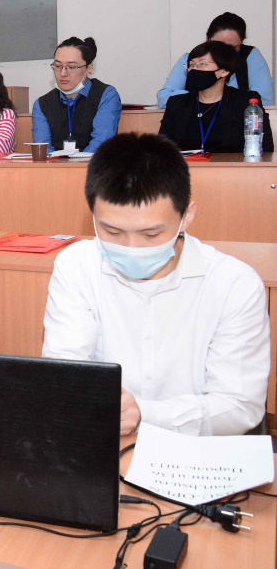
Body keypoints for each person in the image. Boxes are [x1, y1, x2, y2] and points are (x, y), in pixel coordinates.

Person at [42, 133, 269, 436]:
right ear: (93, 216)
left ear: (186, 217)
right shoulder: (76, 266)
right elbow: (65, 373)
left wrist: (143, 414)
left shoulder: (234, 284)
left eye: (151, 235)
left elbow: (239, 406)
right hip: (102, 443)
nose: (132, 248)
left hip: (199, 451)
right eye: (112, 232)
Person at [159, 40, 273, 154]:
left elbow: (265, 148)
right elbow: (161, 151)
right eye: (191, 65)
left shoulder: (245, 102)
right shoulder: (177, 103)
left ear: (224, 70)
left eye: (202, 64)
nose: (194, 69)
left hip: (233, 165)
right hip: (186, 165)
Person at [157, 12, 274, 107]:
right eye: (218, 46)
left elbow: (264, 101)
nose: (225, 53)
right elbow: (164, 98)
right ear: (208, 40)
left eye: (233, 48)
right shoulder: (191, 60)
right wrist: (197, 98)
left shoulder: (250, 56)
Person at [31, 37, 121, 154]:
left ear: (89, 68)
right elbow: (43, 149)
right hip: (55, 165)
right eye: (57, 66)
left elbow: (101, 142)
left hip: (94, 164)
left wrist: (77, 164)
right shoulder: (42, 104)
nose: (63, 73)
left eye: (72, 67)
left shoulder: (106, 95)